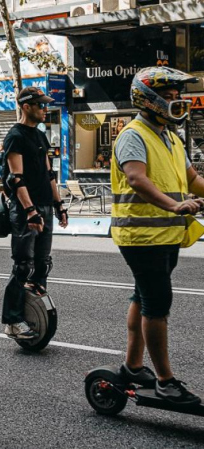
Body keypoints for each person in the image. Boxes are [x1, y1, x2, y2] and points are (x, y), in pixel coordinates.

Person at [111, 67, 204, 406]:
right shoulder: (133, 135)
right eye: (168, 96)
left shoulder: (171, 137)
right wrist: (174, 205)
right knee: (157, 304)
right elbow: (137, 179)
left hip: (165, 233)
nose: (175, 101)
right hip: (141, 236)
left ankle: (134, 366)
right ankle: (165, 381)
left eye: (177, 96)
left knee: (143, 296)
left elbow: (192, 180)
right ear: (147, 99)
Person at [1, 87, 68, 340]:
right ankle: (12, 321)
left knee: (42, 264)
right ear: (26, 107)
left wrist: (59, 205)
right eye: (40, 105)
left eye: (45, 104)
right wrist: (30, 211)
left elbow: (49, 174)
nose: (45, 109)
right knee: (23, 266)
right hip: (25, 210)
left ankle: (36, 314)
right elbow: (16, 178)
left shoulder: (40, 135)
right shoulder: (15, 136)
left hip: (45, 206)